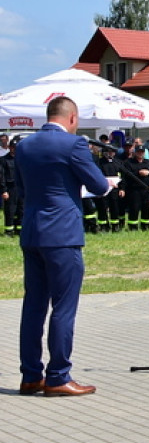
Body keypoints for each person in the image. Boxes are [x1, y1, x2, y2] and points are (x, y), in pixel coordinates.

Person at [16, 96, 110, 396]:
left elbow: (21, 188)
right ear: (72, 118)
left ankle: (31, 375)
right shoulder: (74, 145)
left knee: (33, 306)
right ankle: (58, 376)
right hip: (62, 235)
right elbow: (98, 185)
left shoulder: (24, 146)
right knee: (64, 307)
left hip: (32, 232)